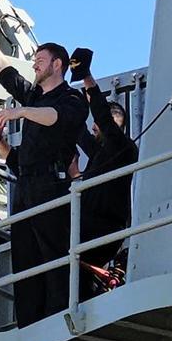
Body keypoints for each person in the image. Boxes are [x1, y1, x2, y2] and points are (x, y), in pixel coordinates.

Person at [0, 23, 88, 327]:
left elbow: (56, 118)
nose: (34, 64)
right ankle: (30, 324)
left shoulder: (71, 99)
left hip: (53, 187)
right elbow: (6, 74)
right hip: (25, 188)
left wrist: (21, 112)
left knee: (54, 256)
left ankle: (57, 319)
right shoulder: (34, 98)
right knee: (26, 259)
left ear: (57, 64)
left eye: (40, 60)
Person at [68, 47, 139, 279]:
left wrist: (86, 76)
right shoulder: (101, 152)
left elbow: (101, 115)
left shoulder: (124, 148)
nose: (94, 127)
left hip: (103, 227)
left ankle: (103, 276)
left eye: (98, 124)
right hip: (89, 225)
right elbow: (79, 132)